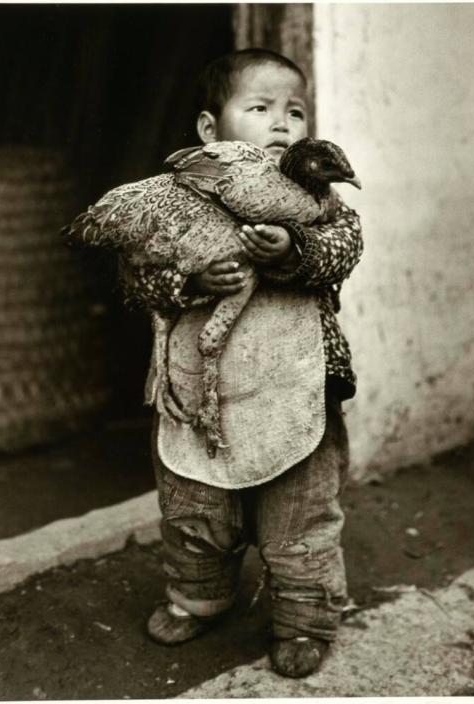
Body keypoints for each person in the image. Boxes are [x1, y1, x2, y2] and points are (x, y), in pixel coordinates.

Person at [121, 48, 363, 678]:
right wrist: (191, 276)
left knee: (300, 517)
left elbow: (343, 247)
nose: (283, 124)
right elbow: (139, 277)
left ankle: (304, 617)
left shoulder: (323, 202)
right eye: (260, 109)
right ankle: (197, 596)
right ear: (211, 130)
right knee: (197, 511)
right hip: (202, 391)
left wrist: (292, 247)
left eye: (296, 112)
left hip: (296, 388)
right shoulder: (179, 198)